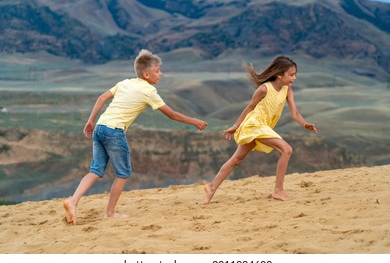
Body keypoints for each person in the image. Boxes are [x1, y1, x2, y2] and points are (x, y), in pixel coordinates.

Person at [64, 49, 208, 225]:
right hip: (114, 131)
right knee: (123, 173)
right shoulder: (149, 91)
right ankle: (109, 213)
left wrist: (90, 120)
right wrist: (195, 121)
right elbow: (171, 115)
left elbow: (102, 98)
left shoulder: (125, 83)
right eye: (157, 71)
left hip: (101, 127)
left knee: (95, 170)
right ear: (146, 74)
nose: (161, 74)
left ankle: (73, 201)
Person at [204, 56, 317, 204]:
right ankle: (278, 191)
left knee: (237, 159)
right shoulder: (264, 89)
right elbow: (249, 108)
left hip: (263, 127)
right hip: (254, 125)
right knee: (286, 149)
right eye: (291, 74)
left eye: (295, 74)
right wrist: (235, 126)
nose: (294, 78)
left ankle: (211, 188)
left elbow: (295, 113)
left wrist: (304, 124)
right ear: (279, 74)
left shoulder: (287, 90)